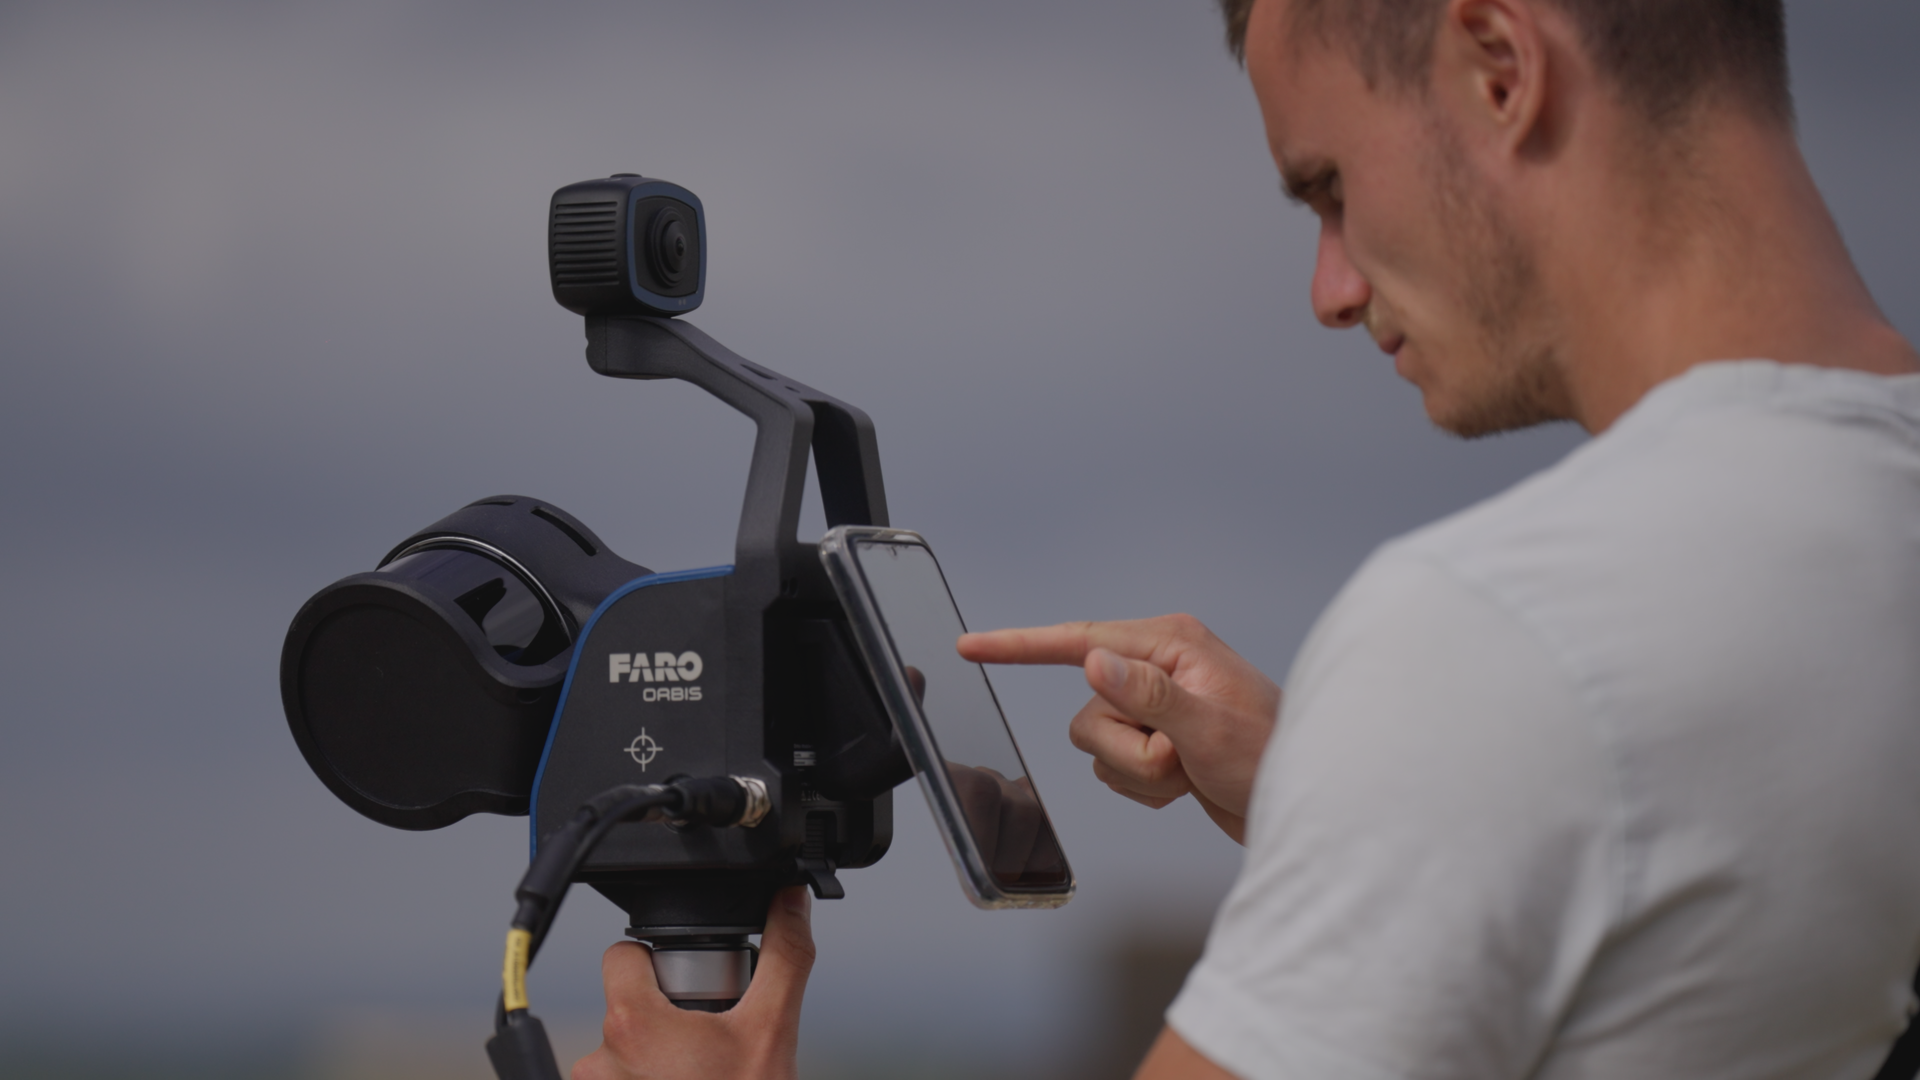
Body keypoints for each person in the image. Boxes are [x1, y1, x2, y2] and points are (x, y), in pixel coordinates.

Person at [574, 0, 1920, 1076]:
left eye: (1329, 189)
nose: (1330, 291)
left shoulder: (1502, 640)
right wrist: (1341, 801)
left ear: (1501, 64)